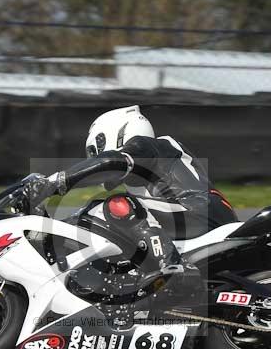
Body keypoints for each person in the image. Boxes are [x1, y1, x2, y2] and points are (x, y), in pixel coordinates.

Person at [24, 105, 237, 289]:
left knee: (113, 205)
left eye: (96, 149)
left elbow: (112, 162)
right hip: (198, 217)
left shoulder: (148, 145)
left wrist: (52, 183)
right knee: (100, 217)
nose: (95, 156)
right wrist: (48, 231)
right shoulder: (146, 182)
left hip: (198, 211)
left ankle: (171, 267)